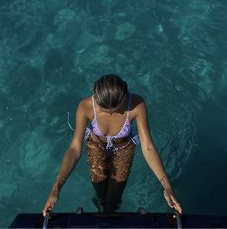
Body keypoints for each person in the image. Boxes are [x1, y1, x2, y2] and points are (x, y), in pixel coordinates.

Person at [42, 74, 183, 216]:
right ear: (95, 97)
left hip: (124, 149)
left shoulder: (136, 104)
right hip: (96, 146)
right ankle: (102, 208)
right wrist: (56, 188)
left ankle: (111, 210)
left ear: (125, 98)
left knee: (114, 197)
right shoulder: (85, 106)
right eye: (104, 110)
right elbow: (74, 149)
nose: (111, 115)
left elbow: (148, 147)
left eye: (117, 110)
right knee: (100, 190)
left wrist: (167, 186)